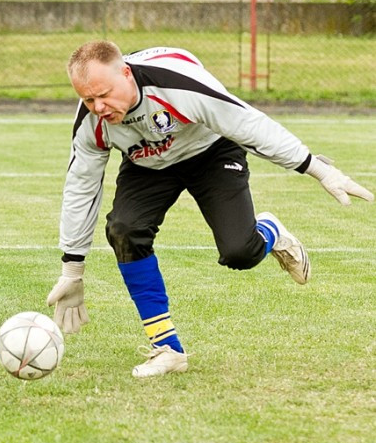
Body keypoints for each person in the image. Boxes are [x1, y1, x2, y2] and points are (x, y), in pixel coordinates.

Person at [46, 40, 373, 378]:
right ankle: (167, 348)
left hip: (211, 151)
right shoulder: (92, 120)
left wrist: (319, 170)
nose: (97, 107)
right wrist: (73, 268)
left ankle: (272, 232)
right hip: (148, 165)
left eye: (103, 94)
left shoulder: (177, 84)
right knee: (125, 230)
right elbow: (81, 185)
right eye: (88, 99)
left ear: (126, 74)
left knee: (239, 252)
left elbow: (250, 126)